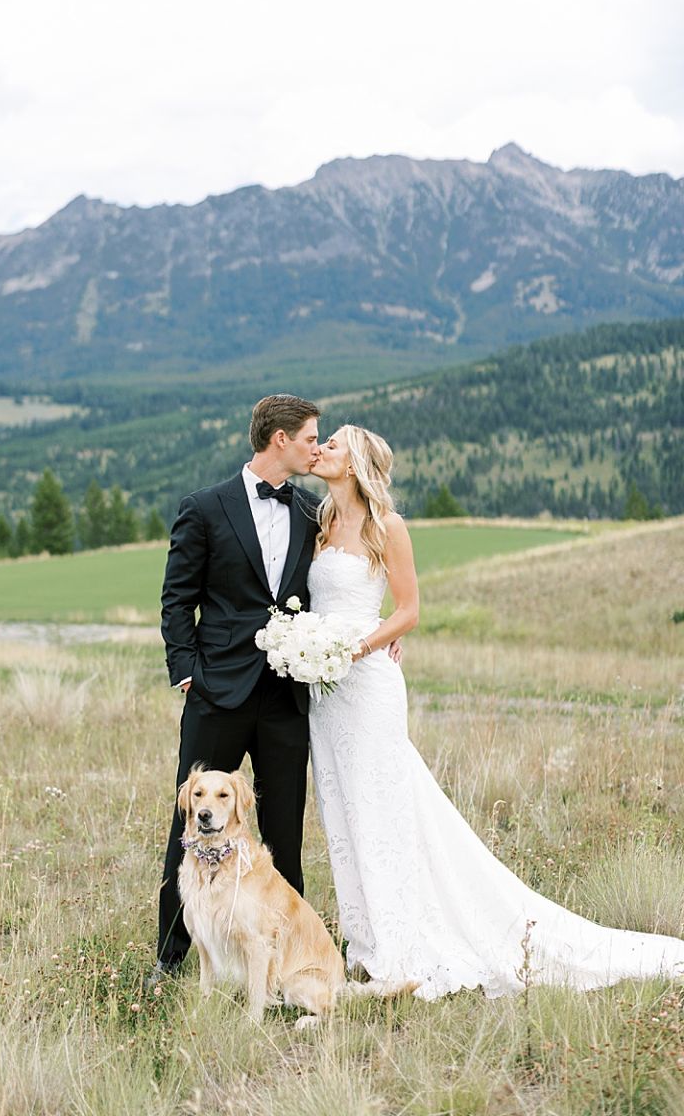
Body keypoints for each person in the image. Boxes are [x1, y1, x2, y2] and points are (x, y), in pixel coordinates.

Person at [307, 424, 684, 998]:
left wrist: (360, 645)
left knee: (384, 808)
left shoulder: (389, 527)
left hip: (368, 683)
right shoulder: (320, 523)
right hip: (325, 693)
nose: (322, 449)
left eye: (332, 444)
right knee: (343, 809)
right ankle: (369, 942)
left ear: (354, 463)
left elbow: (408, 611)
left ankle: (404, 945)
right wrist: (311, 645)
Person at [153, 394, 322, 978]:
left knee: (283, 833)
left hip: (284, 698)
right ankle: (170, 960)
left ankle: (284, 961)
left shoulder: (310, 513)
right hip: (216, 694)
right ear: (279, 438)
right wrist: (185, 671)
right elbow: (177, 598)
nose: (315, 448)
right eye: (309, 438)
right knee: (189, 831)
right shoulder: (204, 507)